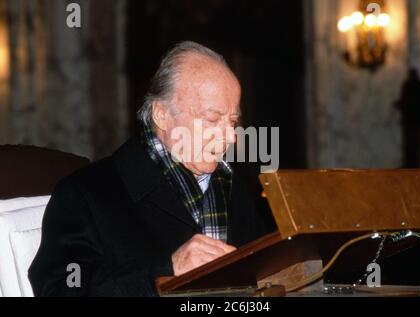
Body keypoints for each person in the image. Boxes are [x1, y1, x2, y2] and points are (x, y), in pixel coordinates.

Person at [29, 41, 274, 297]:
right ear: (161, 114)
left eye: (233, 121)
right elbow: (60, 290)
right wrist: (166, 270)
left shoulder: (233, 189)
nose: (231, 138)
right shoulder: (85, 194)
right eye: (212, 119)